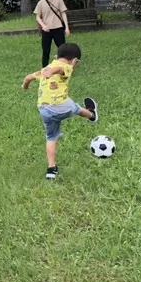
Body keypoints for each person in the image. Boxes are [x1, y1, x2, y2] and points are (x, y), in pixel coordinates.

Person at [22, 43, 98, 180]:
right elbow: (60, 69)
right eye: (76, 64)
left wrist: (25, 87)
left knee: (51, 137)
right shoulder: (66, 67)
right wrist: (53, 72)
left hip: (44, 109)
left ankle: (51, 169)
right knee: (77, 109)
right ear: (75, 61)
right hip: (62, 106)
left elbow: (28, 78)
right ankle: (92, 115)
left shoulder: (45, 69)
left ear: (56, 56)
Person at [34, 0, 70, 67]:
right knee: (46, 51)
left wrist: (67, 28)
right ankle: (44, 69)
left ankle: (65, 67)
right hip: (47, 30)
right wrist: (43, 25)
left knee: (62, 50)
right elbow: (38, 17)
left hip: (58, 29)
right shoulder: (41, 3)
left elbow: (63, 14)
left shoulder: (59, 0)